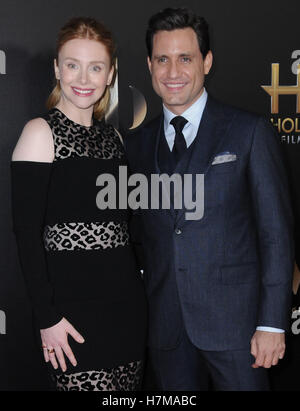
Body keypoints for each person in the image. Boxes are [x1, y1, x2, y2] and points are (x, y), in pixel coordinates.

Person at [124, 7, 294, 391]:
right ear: (149, 65)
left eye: (185, 58)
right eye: (162, 59)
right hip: (165, 328)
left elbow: (275, 235)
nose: (173, 72)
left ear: (207, 61)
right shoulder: (136, 145)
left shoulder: (248, 133)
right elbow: (136, 237)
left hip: (238, 328)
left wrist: (271, 323)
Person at [11, 17, 147, 391]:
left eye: (95, 67)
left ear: (110, 74)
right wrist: (47, 318)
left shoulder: (115, 138)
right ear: (57, 69)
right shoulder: (41, 133)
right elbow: (26, 235)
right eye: (72, 65)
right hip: (71, 315)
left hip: (126, 309)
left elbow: (127, 227)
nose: (84, 79)